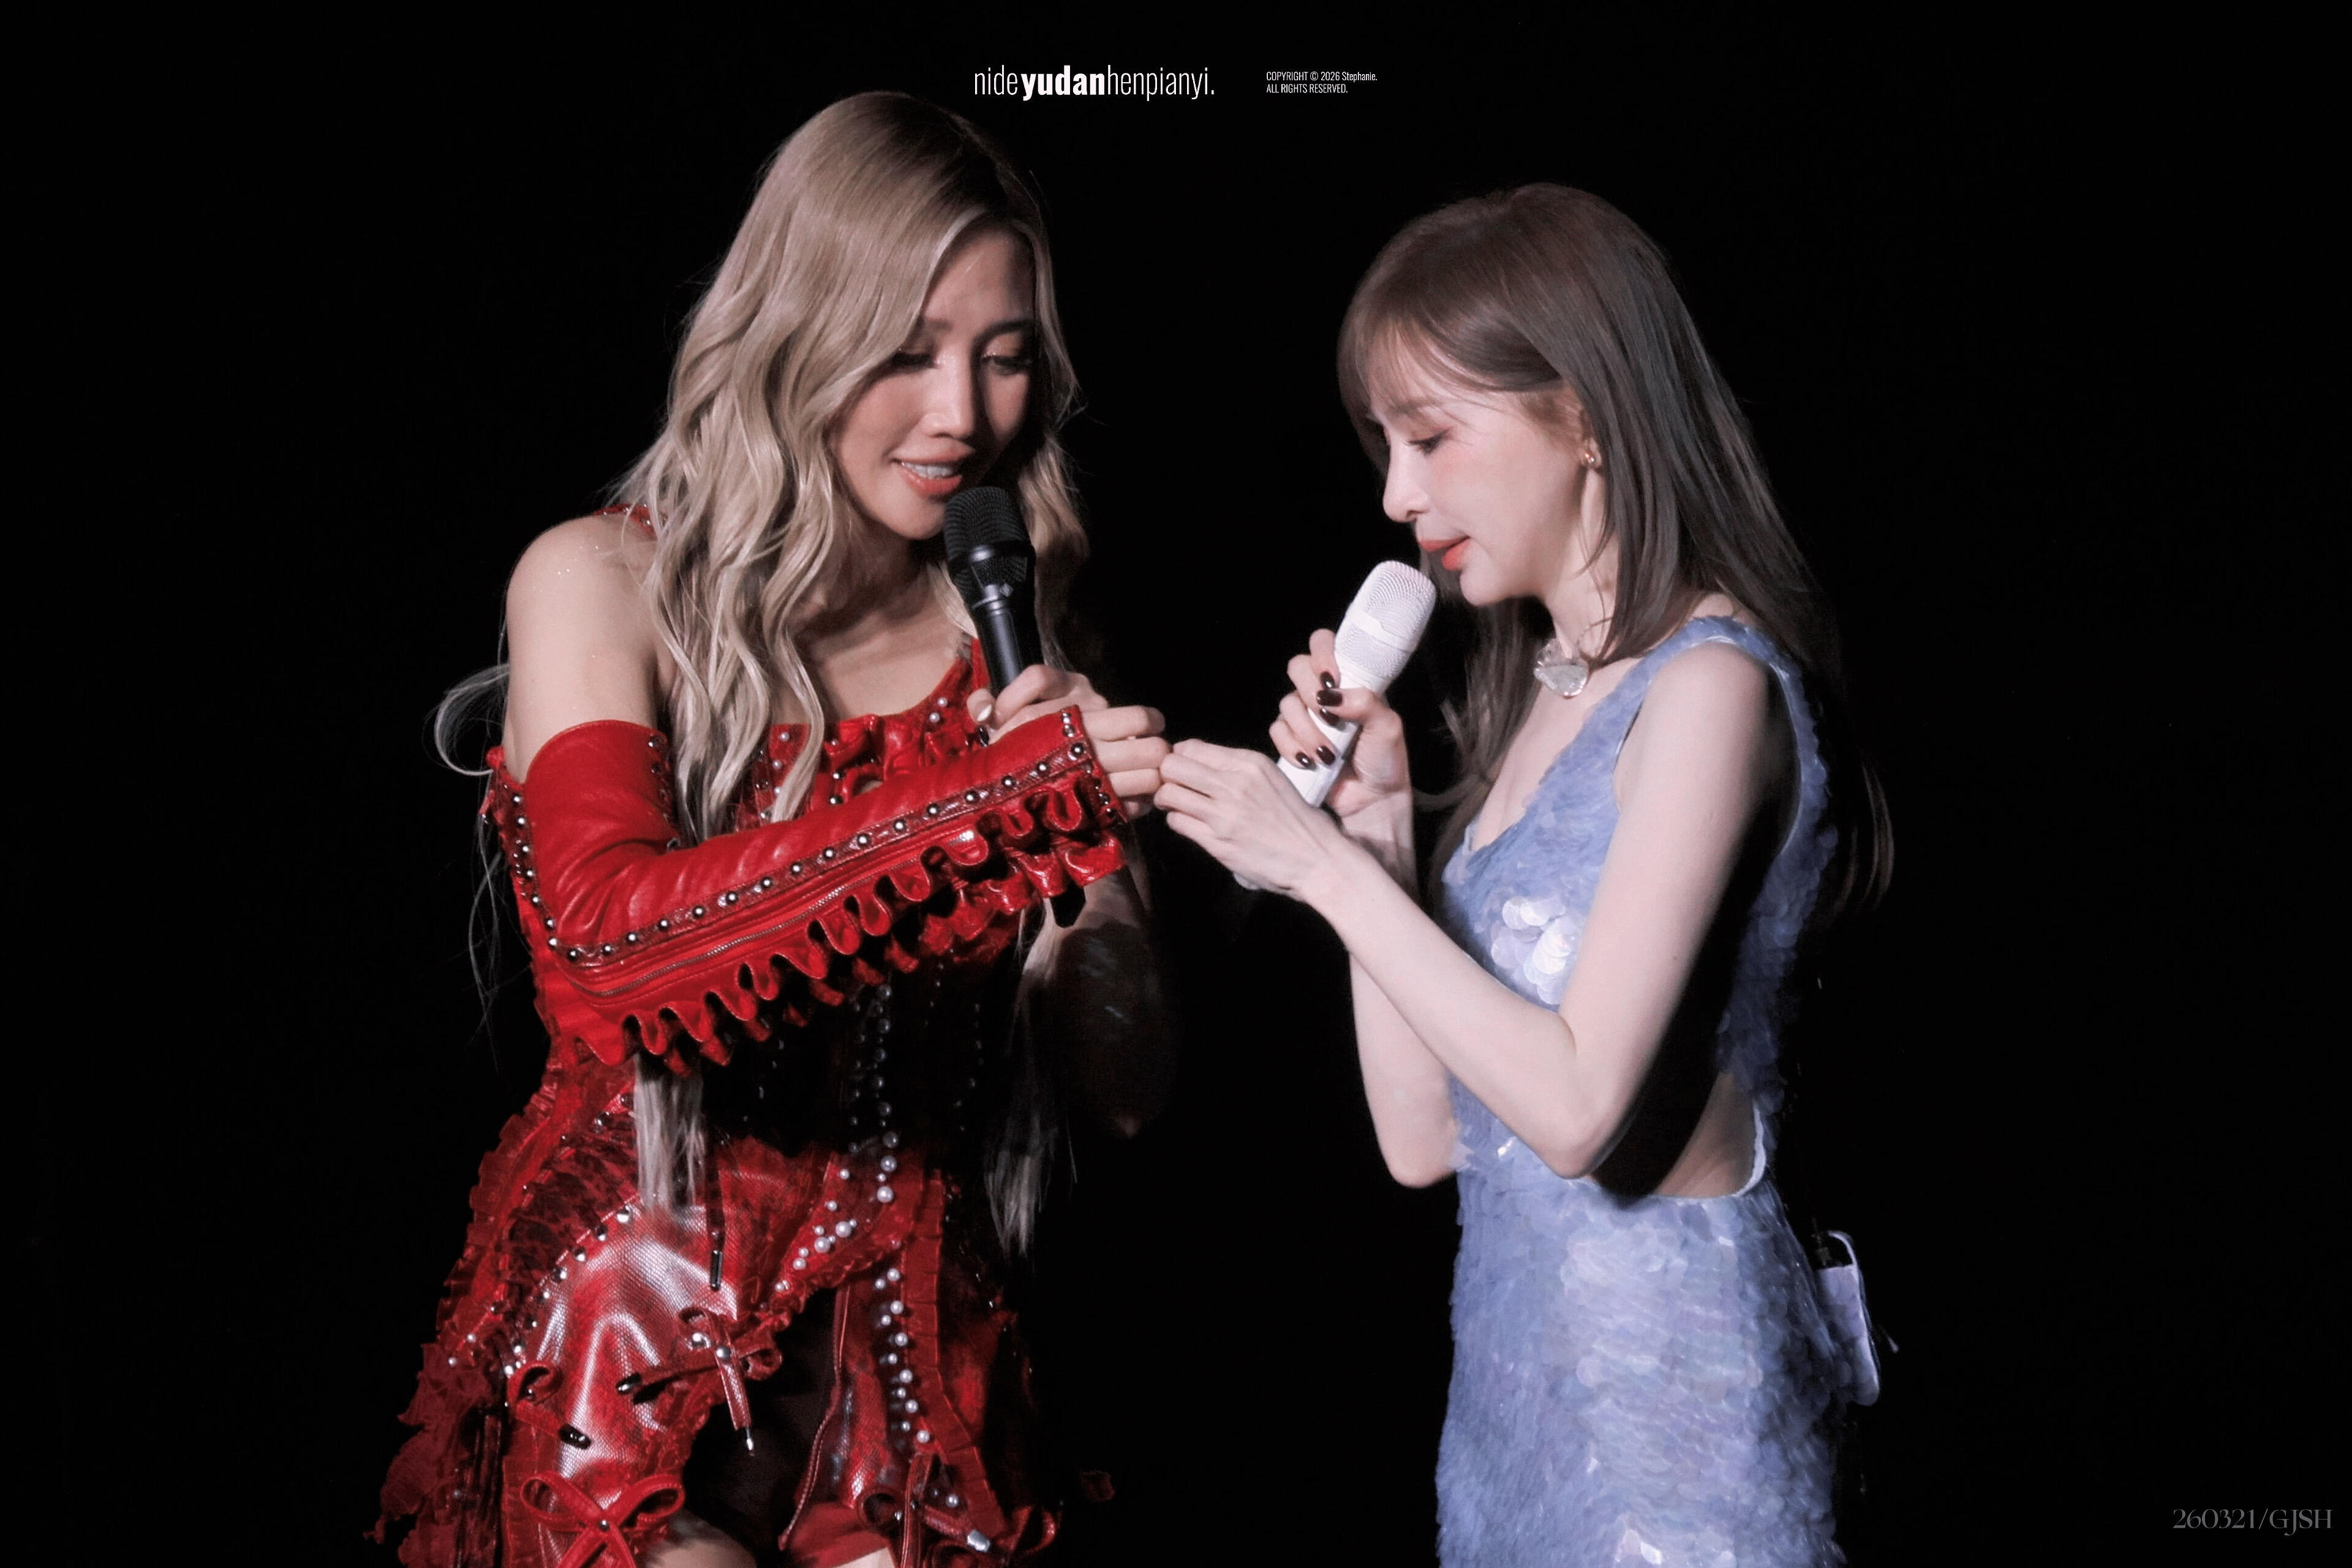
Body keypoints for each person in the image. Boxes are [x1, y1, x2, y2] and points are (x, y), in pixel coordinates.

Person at [377, 93, 1173, 1568]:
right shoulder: (602, 585)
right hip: (629, 1379)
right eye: (908, 350)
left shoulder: (1014, 638)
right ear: (798, 333)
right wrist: (995, 809)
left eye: (1005, 356)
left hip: (917, 1399)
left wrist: (1094, 852)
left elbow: (1122, 1094)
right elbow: (616, 957)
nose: (964, 413)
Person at [1153, 185, 1887, 1566]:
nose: (1396, 494)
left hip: (1680, 1451)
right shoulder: (1544, 698)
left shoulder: (1710, 690)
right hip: (1508, 1431)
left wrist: (1316, 867)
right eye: (1385, 445)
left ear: (1587, 416)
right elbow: (1424, 1141)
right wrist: (1376, 839)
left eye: (1432, 437)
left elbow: (1575, 1107)